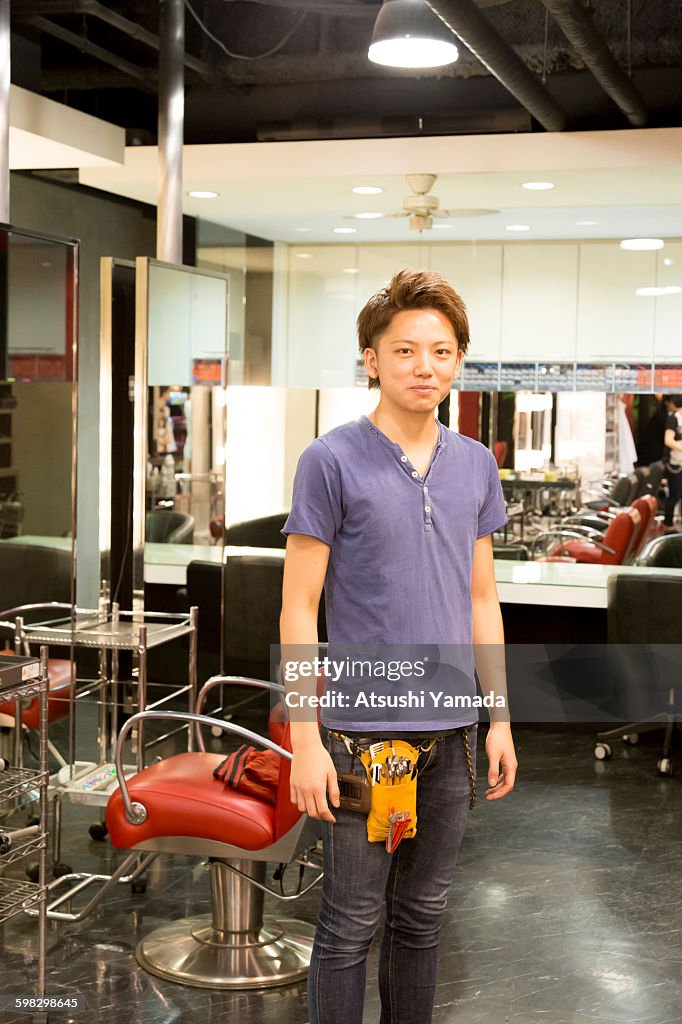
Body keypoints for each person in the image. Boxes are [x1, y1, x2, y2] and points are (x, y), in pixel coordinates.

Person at [280, 269, 517, 1024]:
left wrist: (500, 717)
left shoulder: (476, 464)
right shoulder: (331, 460)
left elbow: (482, 598)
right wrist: (306, 739)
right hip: (357, 738)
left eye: (442, 351)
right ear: (371, 358)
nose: (426, 366)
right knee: (349, 924)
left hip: (450, 735)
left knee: (423, 918)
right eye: (406, 349)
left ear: (459, 360)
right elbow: (298, 606)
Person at [662, 393, 682, 532]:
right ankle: (668, 525)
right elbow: (668, 440)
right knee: (675, 494)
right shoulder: (674, 419)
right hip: (676, 463)